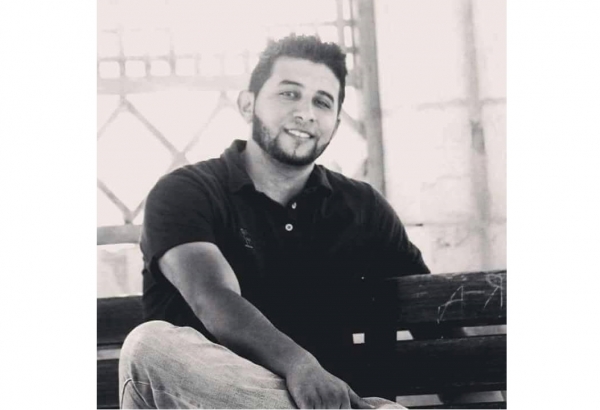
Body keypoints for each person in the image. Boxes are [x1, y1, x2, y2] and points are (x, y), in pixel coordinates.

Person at [119, 34, 431, 409]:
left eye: (322, 102)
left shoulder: (362, 208)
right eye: (289, 94)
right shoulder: (186, 192)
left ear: (335, 123)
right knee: (150, 347)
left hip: (330, 403)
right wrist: (299, 366)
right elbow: (212, 296)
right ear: (247, 104)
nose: (306, 113)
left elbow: (435, 323)